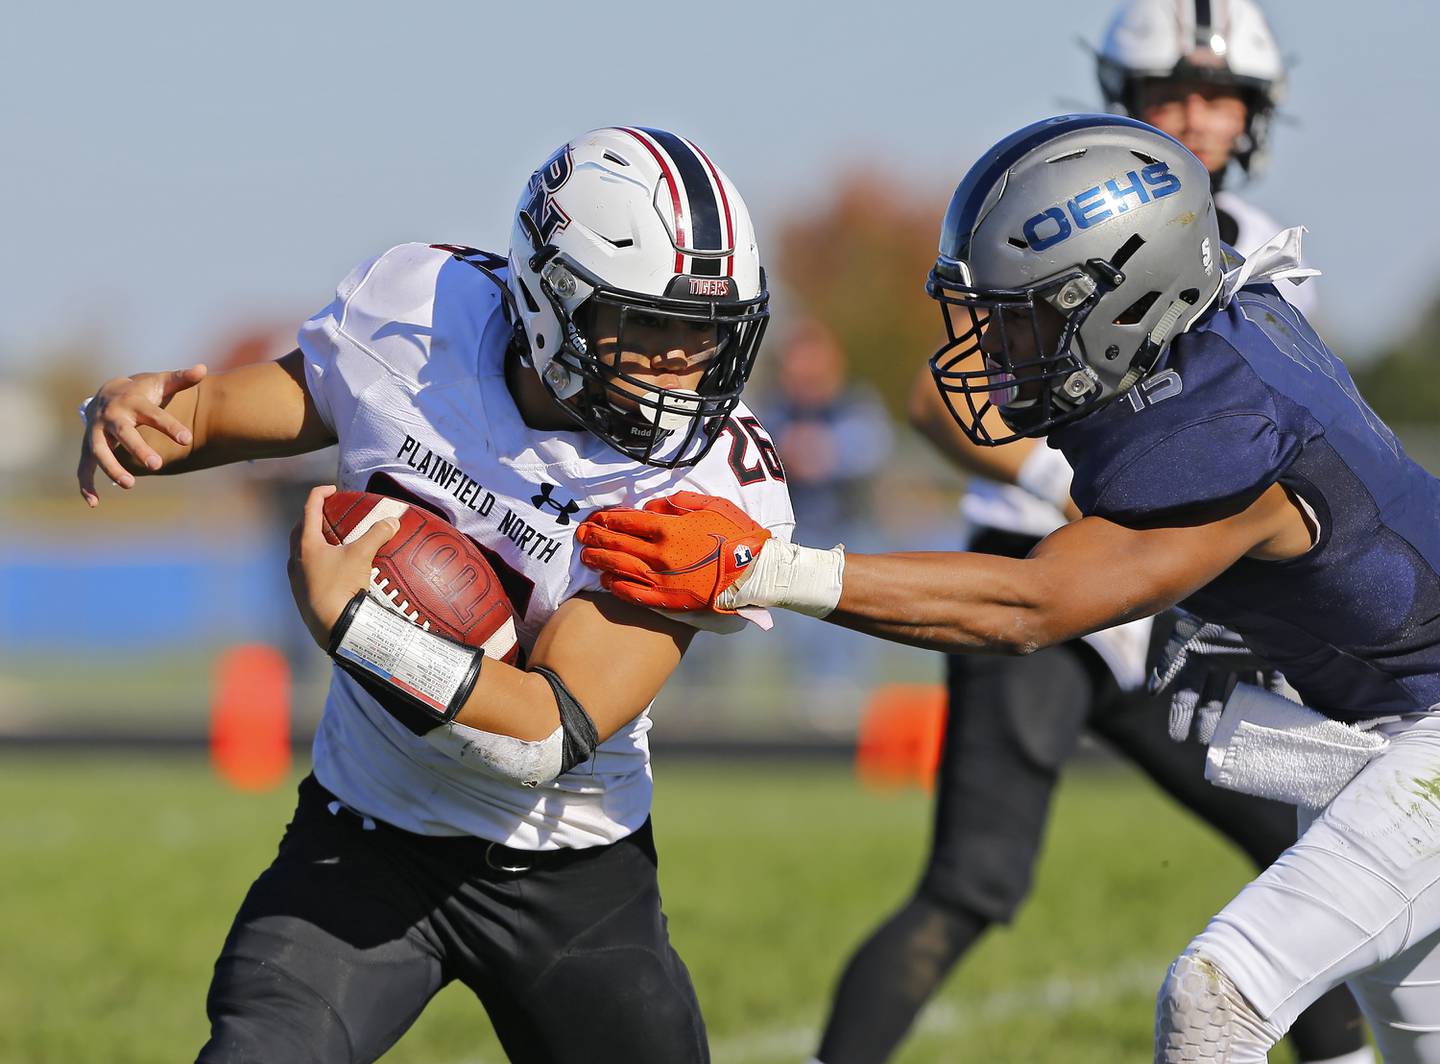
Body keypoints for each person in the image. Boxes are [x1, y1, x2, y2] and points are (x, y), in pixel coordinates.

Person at [577, 112, 1440, 1062]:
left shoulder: (1227, 430)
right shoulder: (1194, 338)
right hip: (1385, 724)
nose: (991, 349)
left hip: (1427, 732)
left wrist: (767, 568)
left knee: (1216, 996)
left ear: (1125, 300)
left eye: (1024, 315)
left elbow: (1031, 607)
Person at [76, 126, 793, 1064]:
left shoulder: (705, 489)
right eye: (653, 326)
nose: (684, 364)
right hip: (367, 839)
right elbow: (223, 412)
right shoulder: (416, 319)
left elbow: (545, 731)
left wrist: (364, 632)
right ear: (550, 302)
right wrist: (136, 419)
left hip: (569, 867)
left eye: (705, 332)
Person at [806, 2, 1366, 1062]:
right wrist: (1055, 483)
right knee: (971, 882)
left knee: (1308, 848)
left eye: (1219, 97)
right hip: (1035, 575)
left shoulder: (1255, 244)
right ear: (1126, 100)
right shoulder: (1080, 206)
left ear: (1253, 113)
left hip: (1171, 607)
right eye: (1171, 96)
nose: (1196, 118)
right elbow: (942, 391)